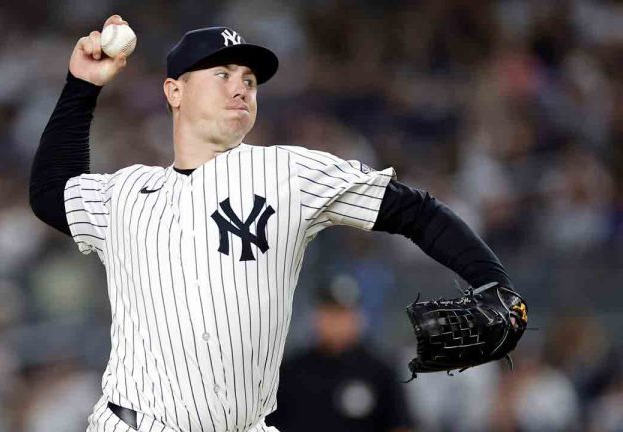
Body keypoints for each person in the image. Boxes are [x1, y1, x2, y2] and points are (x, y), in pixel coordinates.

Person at [30, 14, 520, 432]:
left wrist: (493, 281)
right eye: (221, 73)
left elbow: (414, 210)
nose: (241, 86)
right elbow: (52, 193)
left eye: (248, 79)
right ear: (174, 91)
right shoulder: (128, 192)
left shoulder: (287, 173)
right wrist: (82, 86)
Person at [267, 277, 413, 432]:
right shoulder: (290, 372)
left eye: (342, 313)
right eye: (330, 312)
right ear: (316, 316)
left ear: (358, 317)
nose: (336, 322)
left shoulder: (380, 372)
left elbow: (400, 426)